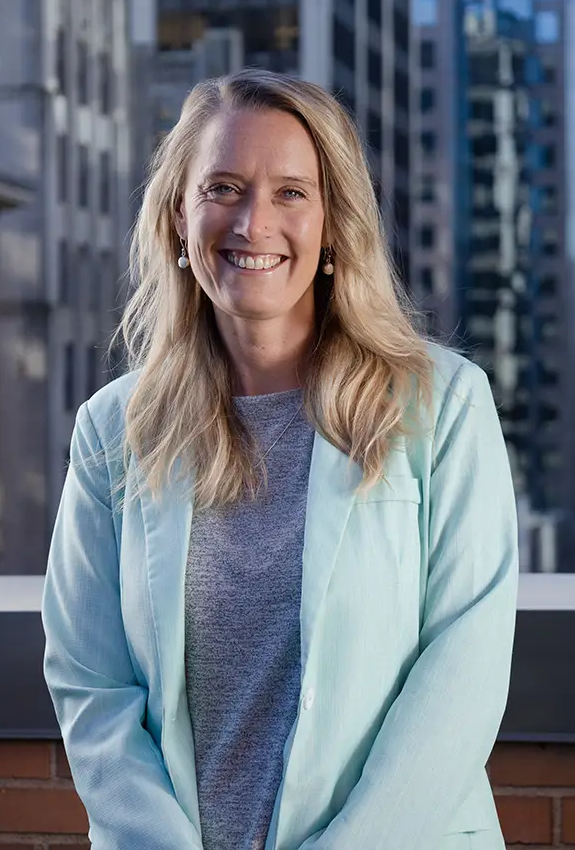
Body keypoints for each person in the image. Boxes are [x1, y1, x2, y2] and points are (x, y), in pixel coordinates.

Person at [41, 68, 519, 850]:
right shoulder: (112, 430)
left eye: (291, 192)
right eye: (222, 187)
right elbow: (90, 685)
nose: (253, 221)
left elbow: (461, 679)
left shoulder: (443, 407)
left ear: (333, 224)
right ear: (177, 219)